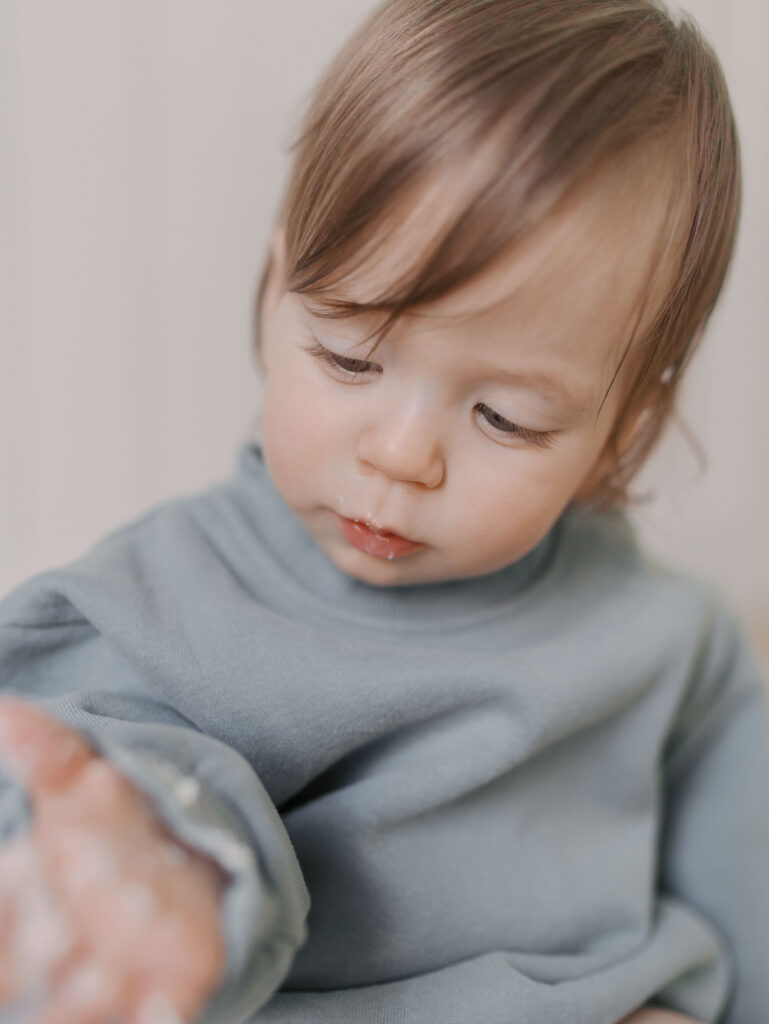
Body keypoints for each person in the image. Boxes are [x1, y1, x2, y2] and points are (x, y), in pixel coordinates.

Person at [0, 0, 766, 1022]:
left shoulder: (674, 647)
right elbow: (87, 787)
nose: (401, 455)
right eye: (349, 357)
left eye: (505, 416)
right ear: (278, 290)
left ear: (626, 426)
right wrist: (166, 867)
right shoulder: (144, 607)